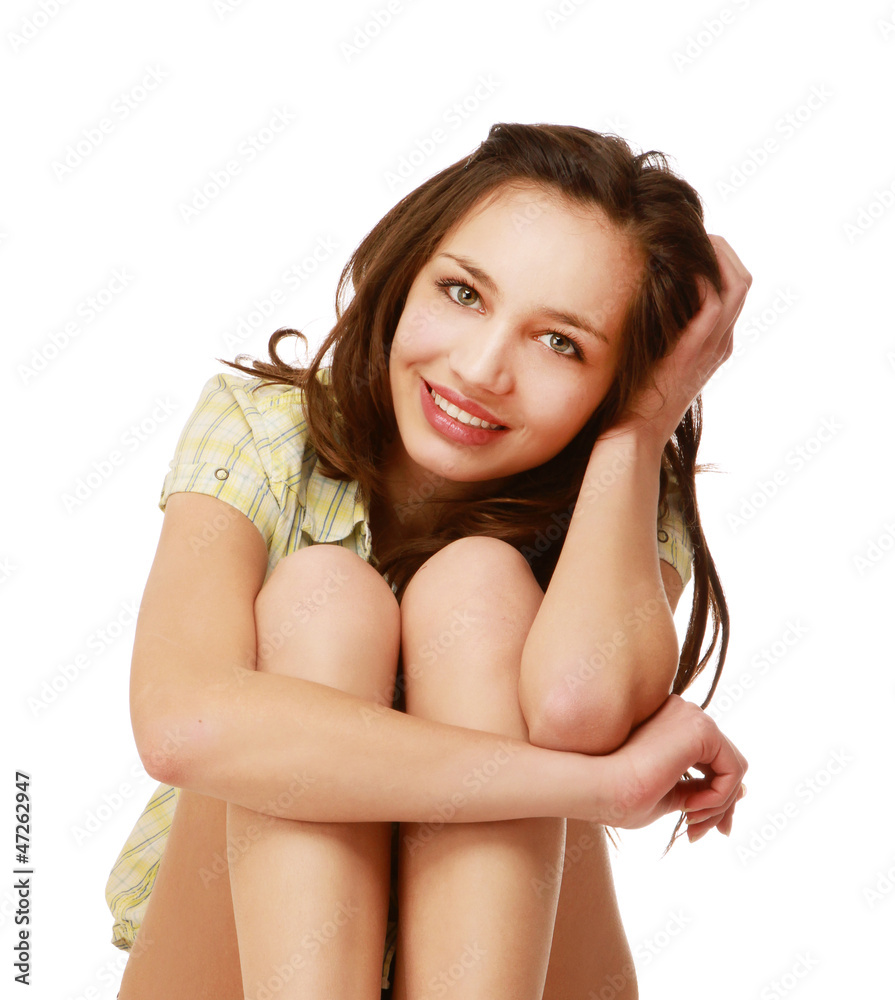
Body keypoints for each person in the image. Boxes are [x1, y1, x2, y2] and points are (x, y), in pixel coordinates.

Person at [107, 122, 750, 1000]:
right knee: (324, 598)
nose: (481, 369)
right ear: (406, 270)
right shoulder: (261, 430)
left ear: (618, 382)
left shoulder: (622, 490)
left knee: (476, 587)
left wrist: (640, 430)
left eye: (561, 343)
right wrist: (601, 787)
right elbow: (182, 725)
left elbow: (577, 705)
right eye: (462, 292)